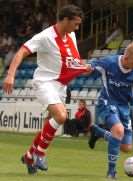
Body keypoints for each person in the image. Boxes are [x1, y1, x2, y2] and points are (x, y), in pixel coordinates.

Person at [3, 4, 88, 174]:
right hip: (45, 82)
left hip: (61, 86)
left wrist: (84, 67)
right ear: (65, 20)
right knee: (61, 116)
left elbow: (74, 61)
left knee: (50, 124)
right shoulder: (45, 37)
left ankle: (29, 155)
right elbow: (21, 52)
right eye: (75, 23)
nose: (77, 28)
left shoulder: (71, 35)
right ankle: (39, 154)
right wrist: (11, 75)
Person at [87, 42, 133, 179]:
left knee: (126, 148)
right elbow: (91, 66)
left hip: (124, 106)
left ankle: (98, 132)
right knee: (118, 131)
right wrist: (87, 68)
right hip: (108, 101)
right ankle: (111, 172)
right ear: (126, 58)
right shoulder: (109, 63)